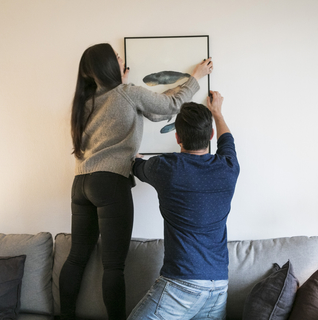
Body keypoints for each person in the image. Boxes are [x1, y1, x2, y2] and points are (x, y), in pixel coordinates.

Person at [59, 43, 213, 320]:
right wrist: (196, 77)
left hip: (80, 182)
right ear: (108, 66)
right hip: (109, 184)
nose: (122, 60)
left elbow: (121, 113)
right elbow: (171, 105)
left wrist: (123, 84)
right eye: (118, 57)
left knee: (76, 257)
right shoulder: (127, 94)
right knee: (113, 266)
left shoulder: (86, 101)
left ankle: (66, 315)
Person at [129, 91, 240, 320]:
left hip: (183, 283)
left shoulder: (166, 168)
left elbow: (136, 167)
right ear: (210, 135)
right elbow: (227, 141)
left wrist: (136, 159)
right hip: (218, 285)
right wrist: (217, 112)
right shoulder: (228, 168)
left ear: (178, 138)